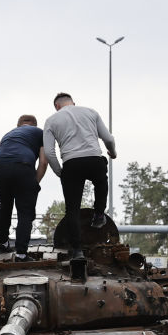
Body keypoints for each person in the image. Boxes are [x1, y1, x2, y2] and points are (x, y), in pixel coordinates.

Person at [43, 92, 117, 259]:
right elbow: (109, 139)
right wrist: (112, 152)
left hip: (71, 163)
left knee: (72, 209)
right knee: (100, 180)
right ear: (73, 103)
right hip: (94, 158)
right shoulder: (91, 112)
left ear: (57, 106)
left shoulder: (51, 120)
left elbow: (49, 152)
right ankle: (99, 214)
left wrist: (59, 172)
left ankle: (77, 251)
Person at [0, 114, 48, 260]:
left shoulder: (8, 135)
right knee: (25, 212)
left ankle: (3, 243)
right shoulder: (40, 133)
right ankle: (21, 254)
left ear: (18, 125)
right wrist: (34, 183)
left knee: (5, 205)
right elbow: (43, 162)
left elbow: (0, 155)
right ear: (35, 125)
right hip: (23, 166)